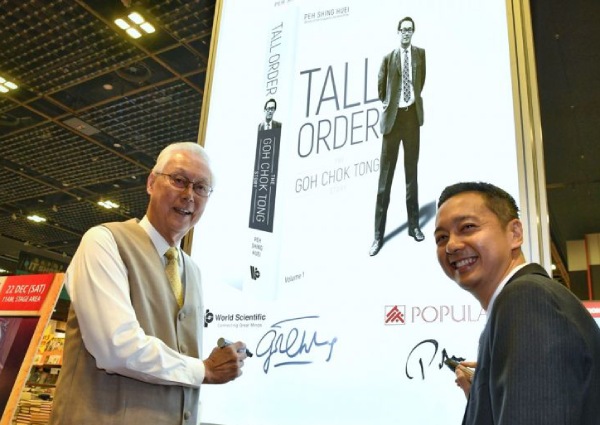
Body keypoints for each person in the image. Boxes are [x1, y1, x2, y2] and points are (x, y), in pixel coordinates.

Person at [50, 142, 248, 425]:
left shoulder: (192, 271)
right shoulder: (104, 242)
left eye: (201, 187)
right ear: (151, 183)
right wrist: (203, 370)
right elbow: (116, 347)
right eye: (179, 180)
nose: (189, 195)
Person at [434, 181, 600, 424]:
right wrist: (484, 395)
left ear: (515, 234)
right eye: (441, 237)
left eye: (467, 227)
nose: (451, 245)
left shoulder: (527, 298)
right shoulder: (519, 302)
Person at [370, 16, 426, 256]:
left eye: (409, 30)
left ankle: (414, 227)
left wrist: (409, 103)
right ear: (398, 32)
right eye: (403, 29)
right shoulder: (388, 58)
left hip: (412, 118)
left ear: (413, 32)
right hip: (392, 123)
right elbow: (381, 87)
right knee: (385, 181)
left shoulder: (420, 54)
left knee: (411, 175)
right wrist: (390, 103)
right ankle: (377, 237)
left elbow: (420, 83)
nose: (406, 33)